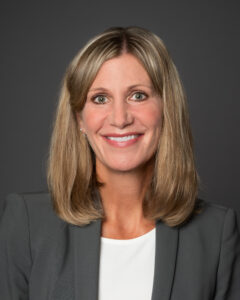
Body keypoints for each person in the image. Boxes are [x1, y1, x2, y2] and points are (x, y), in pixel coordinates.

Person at [0, 26, 239, 300]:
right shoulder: (27, 225)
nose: (120, 118)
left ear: (167, 108)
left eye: (137, 95)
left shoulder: (216, 232)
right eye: (100, 98)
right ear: (80, 119)